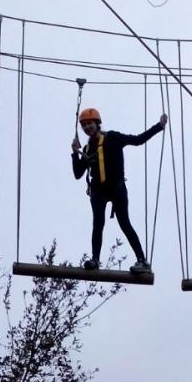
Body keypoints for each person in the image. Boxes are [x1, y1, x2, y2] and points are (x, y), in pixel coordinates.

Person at [72, 107, 167, 273]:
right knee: (98, 224)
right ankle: (95, 259)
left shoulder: (113, 137)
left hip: (117, 189)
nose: (87, 128)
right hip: (98, 192)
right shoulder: (88, 149)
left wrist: (159, 126)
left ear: (97, 123)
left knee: (125, 224)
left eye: (90, 124)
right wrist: (75, 154)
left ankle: (142, 261)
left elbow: (137, 140)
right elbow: (78, 174)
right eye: (84, 125)